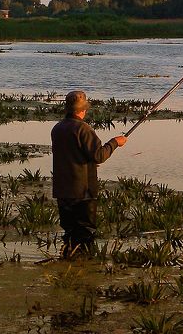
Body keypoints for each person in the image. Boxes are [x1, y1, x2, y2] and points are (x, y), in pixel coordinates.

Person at [51, 90, 127, 254]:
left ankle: (68, 261)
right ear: (83, 109)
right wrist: (115, 142)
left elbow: (73, 154)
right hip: (82, 191)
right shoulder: (83, 129)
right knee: (85, 233)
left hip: (63, 189)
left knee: (70, 232)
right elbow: (99, 156)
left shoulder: (57, 128)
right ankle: (84, 265)